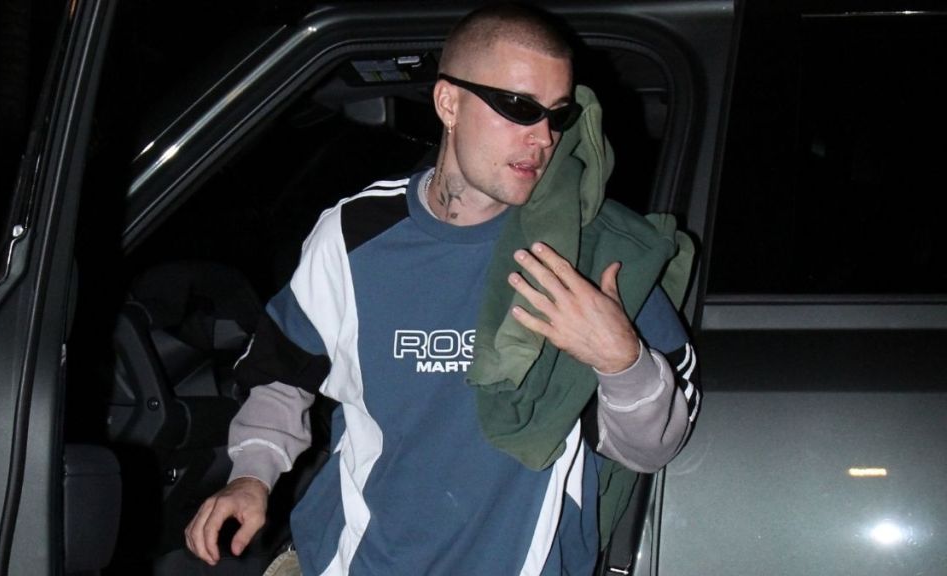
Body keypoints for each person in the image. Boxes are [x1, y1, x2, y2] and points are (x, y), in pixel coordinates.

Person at [185, 3, 699, 575]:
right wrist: (252, 475)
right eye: (519, 107)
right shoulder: (355, 236)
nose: (543, 137)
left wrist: (622, 360)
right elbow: (285, 372)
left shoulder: (593, 250)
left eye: (558, 116)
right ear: (448, 102)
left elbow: (654, 448)